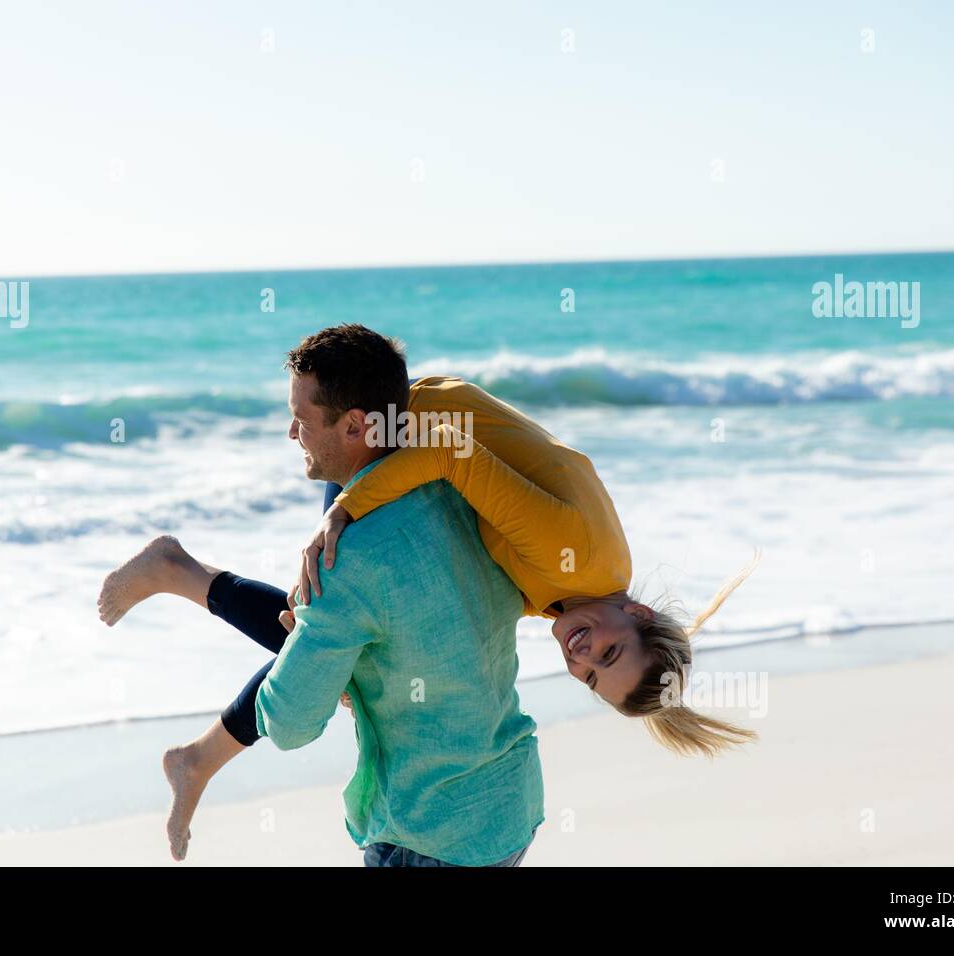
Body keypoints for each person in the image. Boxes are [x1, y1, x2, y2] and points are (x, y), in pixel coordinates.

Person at [97, 323, 756, 861]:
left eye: (587, 676)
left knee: (345, 634)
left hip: (422, 450)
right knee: (334, 612)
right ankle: (180, 597)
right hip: (403, 431)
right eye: (608, 654)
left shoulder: (566, 593)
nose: (579, 656)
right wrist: (346, 509)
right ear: (636, 613)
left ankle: (195, 726)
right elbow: (454, 452)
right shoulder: (577, 556)